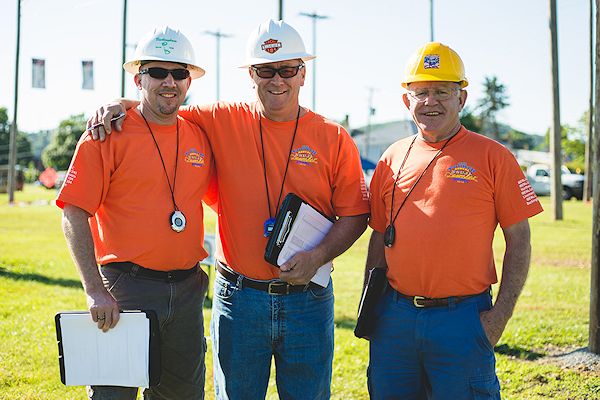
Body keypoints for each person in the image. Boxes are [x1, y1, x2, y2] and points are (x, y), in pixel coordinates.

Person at [88, 19, 369, 400]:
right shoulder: (219, 118)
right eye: (266, 70)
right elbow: (161, 105)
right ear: (251, 75)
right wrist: (119, 104)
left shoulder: (333, 137)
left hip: (308, 299)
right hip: (240, 297)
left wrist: (318, 254)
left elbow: (355, 214)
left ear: (303, 74)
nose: (277, 80)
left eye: (287, 69)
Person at [364, 42, 543, 399]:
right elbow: (379, 236)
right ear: (406, 101)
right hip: (395, 318)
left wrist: (498, 318)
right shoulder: (391, 157)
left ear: (461, 99)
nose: (431, 102)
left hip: (462, 317)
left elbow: (519, 240)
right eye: (422, 92)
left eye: (442, 92)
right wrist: (371, 309)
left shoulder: (494, 156)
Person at [57, 26, 213, 400]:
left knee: (181, 396)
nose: (169, 82)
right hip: (126, 289)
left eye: (178, 73)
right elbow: (73, 213)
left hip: (188, 289)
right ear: (139, 77)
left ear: (189, 81)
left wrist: (124, 100)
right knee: (114, 395)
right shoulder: (106, 133)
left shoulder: (199, 133)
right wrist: (95, 291)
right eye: (158, 72)